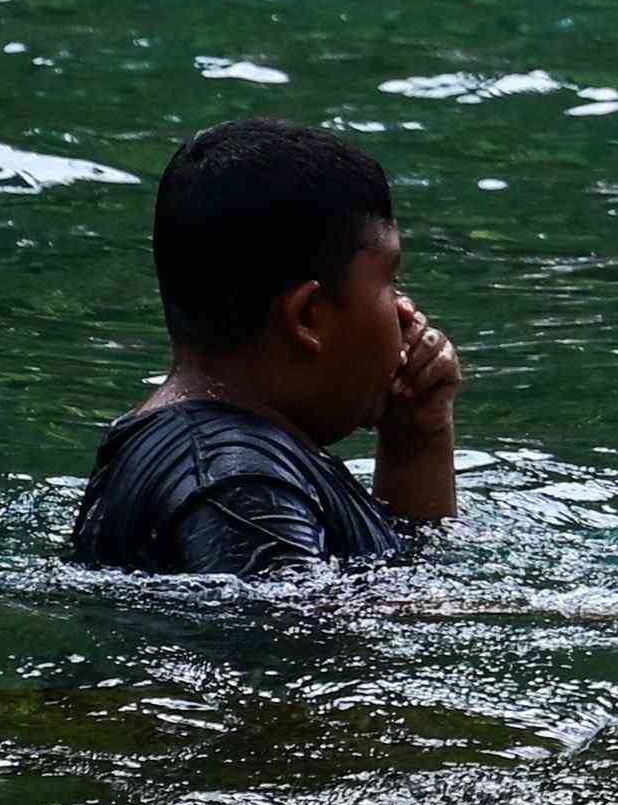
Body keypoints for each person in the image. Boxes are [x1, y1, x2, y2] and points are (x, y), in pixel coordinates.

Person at [66, 114, 464, 577]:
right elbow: (288, 634)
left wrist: (417, 438)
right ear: (307, 316)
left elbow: (392, 577)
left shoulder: (197, 455)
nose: (406, 311)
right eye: (389, 281)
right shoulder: (235, 484)